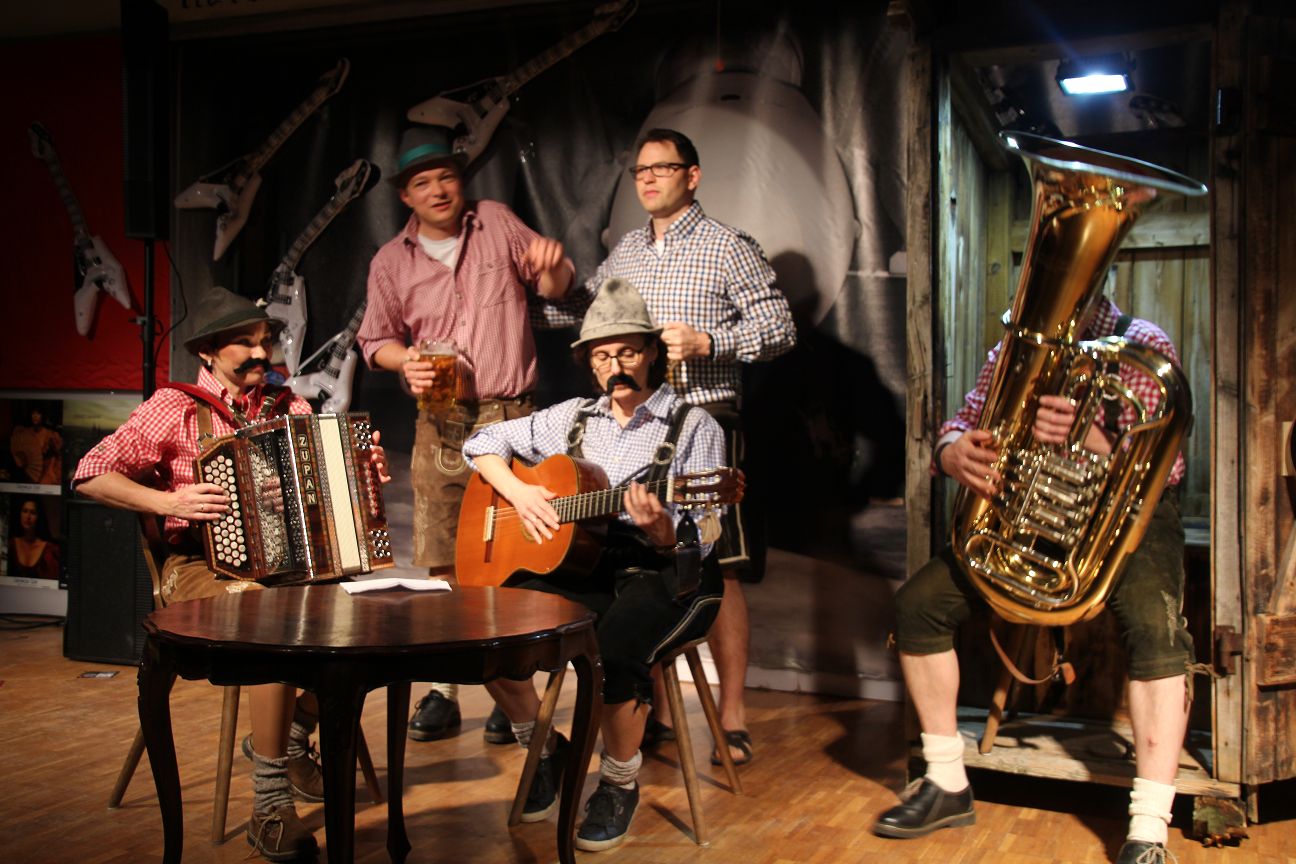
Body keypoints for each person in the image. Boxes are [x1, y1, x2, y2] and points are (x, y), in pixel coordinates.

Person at [74, 286, 392, 864]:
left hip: (289, 570)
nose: (261, 352)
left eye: (264, 339)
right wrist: (168, 501)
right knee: (272, 620)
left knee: (378, 620)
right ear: (208, 352)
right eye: (244, 342)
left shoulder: (288, 405)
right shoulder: (174, 407)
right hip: (198, 568)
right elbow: (90, 472)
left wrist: (360, 467)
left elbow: (326, 491)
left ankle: (289, 732)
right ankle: (270, 805)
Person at [871, 296, 1193, 864]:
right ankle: (946, 782)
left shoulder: (1144, 344)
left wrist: (1092, 438)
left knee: (1157, 632)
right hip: (1035, 514)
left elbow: (1165, 465)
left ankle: (1148, 828)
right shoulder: (1015, 349)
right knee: (918, 604)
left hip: (1124, 519)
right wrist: (951, 452)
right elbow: (963, 422)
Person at [464, 279, 728, 851]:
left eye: (628, 351)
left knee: (614, 649)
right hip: (589, 562)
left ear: (652, 352)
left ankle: (618, 783)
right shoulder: (571, 417)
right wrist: (521, 493)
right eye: (603, 356)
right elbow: (481, 443)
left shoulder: (695, 426)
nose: (616, 366)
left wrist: (665, 531)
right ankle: (545, 752)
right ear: (588, 362)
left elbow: (706, 533)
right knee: (486, 631)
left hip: (672, 569)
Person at [358, 124, 584, 745]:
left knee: (513, 552)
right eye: (422, 183)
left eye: (446, 177)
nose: (437, 190)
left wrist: (554, 266)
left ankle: (512, 681)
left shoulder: (496, 222)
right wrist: (404, 361)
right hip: (441, 421)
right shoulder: (390, 261)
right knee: (441, 556)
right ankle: (445, 687)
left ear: (460, 182)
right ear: (405, 195)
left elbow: (555, 285)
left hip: (510, 415)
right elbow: (375, 340)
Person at [587, 128, 795, 765]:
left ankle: (731, 714)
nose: (649, 179)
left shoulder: (728, 245)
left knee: (718, 564)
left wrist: (710, 342)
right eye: (641, 171)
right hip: (639, 424)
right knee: (642, 557)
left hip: (706, 419)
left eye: (663, 168)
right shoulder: (624, 252)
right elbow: (589, 319)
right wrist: (552, 285)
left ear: (692, 175)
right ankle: (655, 709)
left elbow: (780, 327)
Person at [7, 497, 61, 581]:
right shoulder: (10, 545)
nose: (28, 516)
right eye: (25, 511)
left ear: (39, 517)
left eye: (33, 513)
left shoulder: (50, 550)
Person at [10, 405, 63, 485]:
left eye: (38, 414)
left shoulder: (50, 434)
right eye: (33, 414)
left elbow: (58, 455)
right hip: (27, 472)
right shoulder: (24, 433)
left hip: (46, 471)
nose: (35, 416)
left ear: (42, 416)